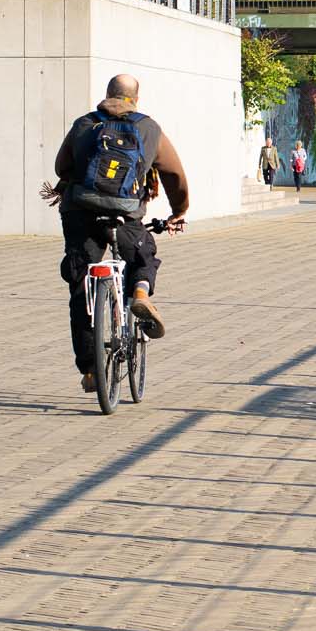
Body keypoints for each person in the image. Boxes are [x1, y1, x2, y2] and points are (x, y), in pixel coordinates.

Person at [42, 74, 188, 394]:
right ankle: (139, 294)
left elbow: (61, 167)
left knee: (82, 284)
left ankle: (92, 371)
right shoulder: (148, 128)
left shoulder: (85, 124)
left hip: (80, 211)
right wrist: (179, 211)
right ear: (136, 98)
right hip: (126, 214)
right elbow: (173, 175)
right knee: (142, 253)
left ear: (108, 94)